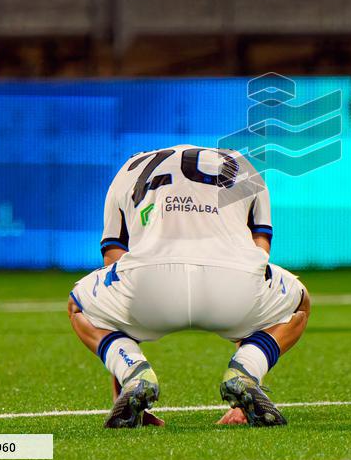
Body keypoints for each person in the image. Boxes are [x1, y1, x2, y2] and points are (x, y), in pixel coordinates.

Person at [67, 144, 310, 428]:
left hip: (150, 287)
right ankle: (246, 369)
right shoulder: (242, 164)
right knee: (299, 304)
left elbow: (113, 259)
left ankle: (132, 370)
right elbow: (260, 250)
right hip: (233, 285)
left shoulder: (129, 169)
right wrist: (247, 321)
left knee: (79, 306)